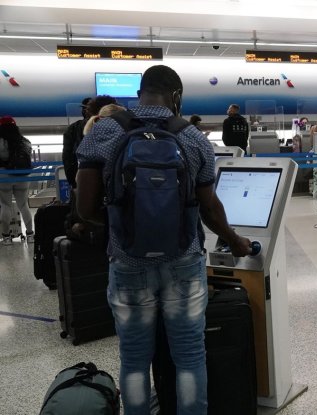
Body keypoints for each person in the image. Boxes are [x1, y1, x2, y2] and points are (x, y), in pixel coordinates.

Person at [76, 64, 252, 414]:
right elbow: (209, 208)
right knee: (189, 355)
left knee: (135, 359)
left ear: (139, 93)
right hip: (183, 262)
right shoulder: (192, 138)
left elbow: (84, 207)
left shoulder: (106, 130)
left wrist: (122, 227)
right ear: (176, 97)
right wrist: (233, 239)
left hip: (128, 263)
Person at [63, 96, 117, 189]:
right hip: (113, 180)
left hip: (86, 178)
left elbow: (68, 158)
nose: (85, 111)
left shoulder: (74, 128)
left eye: (87, 109)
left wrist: (74, 184)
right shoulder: (119, 126)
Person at [0, 116, 34, 244]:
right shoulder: (24, 141)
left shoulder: (1, 141)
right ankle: (30, 235)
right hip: (22, 175)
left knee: (6, 205)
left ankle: (7, 237)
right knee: (24, 205)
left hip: (3, 175)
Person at [61, 97, 91, 188]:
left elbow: (68, 156)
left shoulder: (73, 128)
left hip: (82, 172)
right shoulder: (105, 125)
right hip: (102, 175)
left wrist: (72, 182)